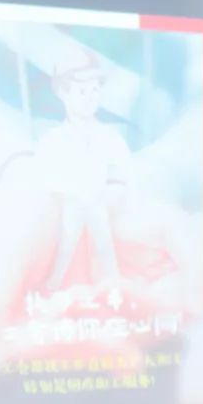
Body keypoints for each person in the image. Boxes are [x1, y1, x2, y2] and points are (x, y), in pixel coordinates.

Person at [35, 46, 132, 292]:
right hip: (71, 204)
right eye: (82, 91)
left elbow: (122, 174)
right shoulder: (52, 141)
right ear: (63, 93)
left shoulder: (110, 138)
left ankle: (113, 284)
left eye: (95, 90)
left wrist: (110, 193)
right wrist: (71, 193)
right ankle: (54, 283)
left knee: (105, 246)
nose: (90, 97)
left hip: (100, 203)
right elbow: (46, 180)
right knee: (65, 246)